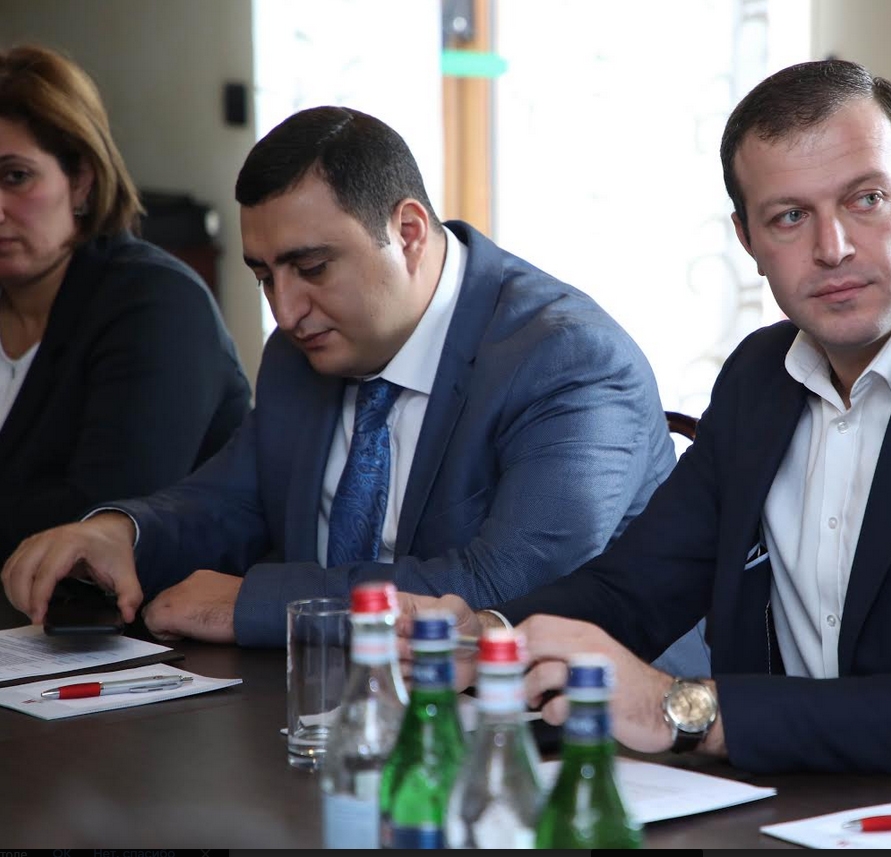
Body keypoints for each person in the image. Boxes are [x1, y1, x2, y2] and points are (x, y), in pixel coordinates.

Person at [398, 59, 891, 842]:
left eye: (865, 199)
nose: (833, 246)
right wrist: (486, 637)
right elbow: (633, 589)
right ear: (746, 240)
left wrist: (680, 708)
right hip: (800, 811)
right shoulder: (757, 378)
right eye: (788, 217)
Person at [1, 105, 708, 676]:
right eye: (264, 275)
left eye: (311, 267)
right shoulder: (301, 351)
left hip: (586, 737)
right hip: (340, 705)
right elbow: (234, 499)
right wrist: (119, 532)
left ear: (408, 231)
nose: (285, 311)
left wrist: (255, 603)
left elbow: (500, 587)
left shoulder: (567, 359)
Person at [0, 44, 250, 566]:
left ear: (82, 182)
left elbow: (100, 523)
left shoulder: (157, 303)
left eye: (15, 176)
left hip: (152, 611)